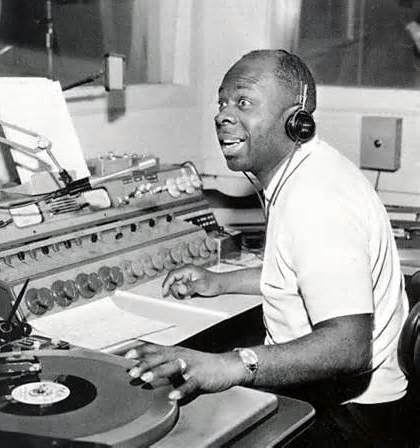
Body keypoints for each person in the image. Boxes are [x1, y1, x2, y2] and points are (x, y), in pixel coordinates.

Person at [125, 49, 410, 446]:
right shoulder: (307, 172)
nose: (223, 115)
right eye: (222, 103)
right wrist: (220, 282)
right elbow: (305, 276)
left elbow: (349, 346)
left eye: (244, 102)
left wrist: (232, 364)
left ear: (296, 120)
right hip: (353, 404)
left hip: (352, 419)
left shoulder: (316, 199)